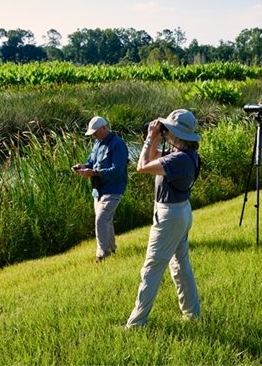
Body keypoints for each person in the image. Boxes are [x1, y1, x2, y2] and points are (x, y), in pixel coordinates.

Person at [126, 109, 201, 329]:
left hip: (169, 216)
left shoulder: (178, 159)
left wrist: (151, 136)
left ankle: (137, 323)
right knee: (180, 265)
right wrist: (155, 138)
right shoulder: (185, 154)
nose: (166, 132)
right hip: (181, 212)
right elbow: (151, 158)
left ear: (177, 134)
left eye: (169, 130)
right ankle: (192, 313)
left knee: (151, 269)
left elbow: (141, 166)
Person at [72, 116, 129, 262]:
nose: (94, 136)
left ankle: (102, 255)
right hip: (98, 190)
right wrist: (83, 167)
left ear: (104, 128)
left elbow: (117, 170)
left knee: (101, 219)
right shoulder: (97, 144)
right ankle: (111, 249)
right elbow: (91, 162)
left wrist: (94, 173)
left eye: (95, 132)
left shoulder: (118, 144)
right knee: (105, 220)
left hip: (114, 189)